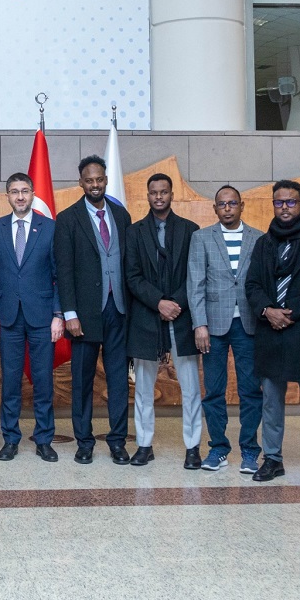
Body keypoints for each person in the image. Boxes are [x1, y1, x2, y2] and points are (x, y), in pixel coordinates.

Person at [244, 179, 300, 484]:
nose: (285, 208)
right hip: (270, 331)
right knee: (271, 401)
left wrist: (288, 313)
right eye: (279, 202)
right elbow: (252, 285)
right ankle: (273, 459)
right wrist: (268, 310)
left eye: (291, 202)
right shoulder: (263, 243)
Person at [55, 155, 132, 465]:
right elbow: (64, 270)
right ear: (81, 183)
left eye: (99, 179)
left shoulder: (121, 215)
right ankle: (84, 442)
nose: (95, 184)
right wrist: (69, 314)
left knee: (118, 380)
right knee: (82, 381)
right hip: (84, 315)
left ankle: (117, 441)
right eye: (89, 180)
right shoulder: (67, 218)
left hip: (119, 310)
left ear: (106, 180)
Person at [123, 173, 200, 468]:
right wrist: (158, 302)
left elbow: (195, 274)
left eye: (164, 192)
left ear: (171, 194)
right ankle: (144, 445)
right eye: (154, 192)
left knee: (190, 388)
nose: (159, 197)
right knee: (143, 389)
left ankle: (192, 447)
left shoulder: (190, 230)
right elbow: (132, 276)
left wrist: (175, 303)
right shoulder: (134, 232)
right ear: (147, 195)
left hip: (182, 318)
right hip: (146, 317)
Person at [0, 173, 64, 462]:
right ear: (7, 195)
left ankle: (44, 439)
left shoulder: (50, 227)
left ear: (32, 194)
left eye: (25, 191)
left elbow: (59, 275)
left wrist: (58, 314)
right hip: (7, 317)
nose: (20, 196)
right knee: (10, 381)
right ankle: (11, 439)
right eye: (14, 191)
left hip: (42, 316)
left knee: (43, 381)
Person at [187, 186, 265, 474]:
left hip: (248, 324)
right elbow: (195, 285)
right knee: (214, 391)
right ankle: (218, 448)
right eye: (222, 204)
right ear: (215, 208)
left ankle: (249, 451)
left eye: (233, 203)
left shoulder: (259, 238)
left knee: (250, 391)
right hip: (213, 326)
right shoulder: (201, 238)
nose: (228, 208)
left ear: (242, 206)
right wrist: (199, 324)